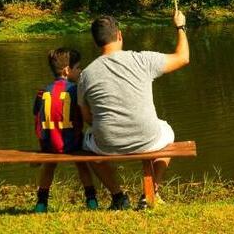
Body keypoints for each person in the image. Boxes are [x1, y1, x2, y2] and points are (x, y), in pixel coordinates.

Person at [78, 11, 189, 210]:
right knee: (168, 132)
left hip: (107, 144)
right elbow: (183, 58)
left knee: (86, 144)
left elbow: (87, 117)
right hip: (148, 139)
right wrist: (180, 26)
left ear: (96, 42)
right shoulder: (142, 60)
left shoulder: (86, 75)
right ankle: (150, 193)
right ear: (119, 35)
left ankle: (118, 196)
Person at [32, 48, 98, 213]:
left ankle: (41, 203)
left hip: (48, 146)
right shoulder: (75, 90)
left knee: (48, 166)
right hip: (72, 144)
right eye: (78, 68)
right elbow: (83, 116)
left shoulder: (42, 92)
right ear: (67, 70)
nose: (80, 71)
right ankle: (91, 200)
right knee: (82, 163)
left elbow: (36, 114)